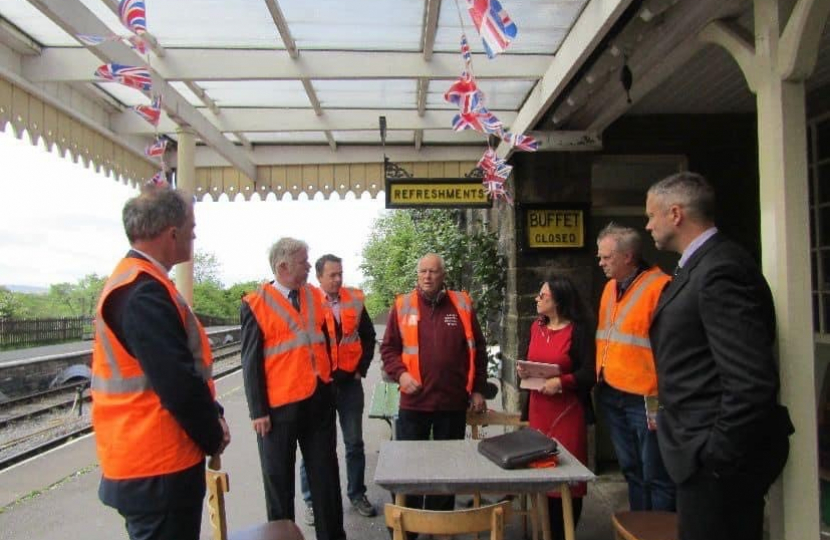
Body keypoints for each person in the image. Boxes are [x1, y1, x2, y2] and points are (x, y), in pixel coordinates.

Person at [645, 172, 794, 540]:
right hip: (698, 452)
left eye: (652, 215)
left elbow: (751, 380)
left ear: (676, 214)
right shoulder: (699, 266)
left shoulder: (720, 269)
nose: (647, 225)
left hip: (717, 463)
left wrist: (714, 456)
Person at [91, 185, 230, 540]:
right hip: (156, 466)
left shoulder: (139, 283)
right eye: (191, 228)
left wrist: (211, 410)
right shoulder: (143, 292)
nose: (194, 235)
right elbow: (177, 383)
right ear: (172, 233)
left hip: (148, 463)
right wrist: (212, 434)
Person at [240, 238, 346, 540]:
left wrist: (330, 383)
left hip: (318, 401)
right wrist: (257, 411)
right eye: (304, 261)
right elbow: (251, 363)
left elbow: (323, 340)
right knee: (279, 484)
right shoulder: (255, 304)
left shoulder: (314, 295)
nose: (309, 266)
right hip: (277, 409)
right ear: (283, 266)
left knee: (325, 479)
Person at [381, 253, 488, 514]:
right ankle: (408, 528)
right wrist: (402, 375)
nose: (427, 276)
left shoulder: (461, 304)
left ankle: (441, 527)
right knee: (409, 470)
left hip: (452, 402)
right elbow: (388, 349)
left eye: (433, 271)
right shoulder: (403, 305)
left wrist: (477, 389)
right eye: (423, 271)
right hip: (414, 403)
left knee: (446, 471)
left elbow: (478, 349)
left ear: (443, 275)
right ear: (417, 275)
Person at [594, 223, 676, 511]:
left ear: (628, 256)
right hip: (612, 391)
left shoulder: (660, 287)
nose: (600, 262)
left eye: (606, 257)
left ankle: (659, 530)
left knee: (656, 473)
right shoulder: (608, 289)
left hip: (646, 395)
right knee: (631, 470)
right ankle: (639, 527)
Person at [299, 254, 377, 526]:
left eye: (340, 274)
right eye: (332, 275)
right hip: (319, 388)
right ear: (318, 277)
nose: (337, 279)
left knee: (354, 443)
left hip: (349, 386)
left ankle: (357, 494)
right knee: (316, 446)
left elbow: (369, 336)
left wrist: (360, 369)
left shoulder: (353, 300)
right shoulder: (307, 303)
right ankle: (312, 501)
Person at [517, 276, 596, 540]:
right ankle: (544, 532)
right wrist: (523, 369)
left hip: (567, 412)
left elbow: (589, 373)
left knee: (566, 478)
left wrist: (561, 382)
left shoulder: (579, 330)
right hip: (539, 409)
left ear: (559, 300)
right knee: (540, 474)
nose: (537, 300)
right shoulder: (535, 327)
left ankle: (565, 533)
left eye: (543, 296)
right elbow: (530, 359)